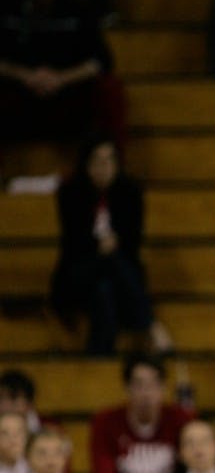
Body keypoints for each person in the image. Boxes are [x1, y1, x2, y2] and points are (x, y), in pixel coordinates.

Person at [50, 134, 155, 356]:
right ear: (86, 164)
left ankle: (99, 356)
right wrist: (101, 246)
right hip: (79, 273)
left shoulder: (130, 192)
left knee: (104, 289)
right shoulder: (70, 194)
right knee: (109, 263)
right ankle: (148, 323)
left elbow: (132, 241)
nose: (104, 167)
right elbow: (73, 243)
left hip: (114, 279)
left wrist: (108, 247)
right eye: (98, 160)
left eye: (110, 160)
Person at [0, 0, 126, 153]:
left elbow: (101, 61)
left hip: (67, 96)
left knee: (109, 88)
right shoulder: (7, 9)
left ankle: (109, 168)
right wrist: (24, 75)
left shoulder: (76, 9)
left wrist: (62, 78)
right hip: (20, 95)